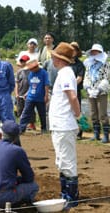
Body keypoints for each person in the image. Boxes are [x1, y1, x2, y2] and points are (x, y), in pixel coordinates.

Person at [49, 42, 81, 209]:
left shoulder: (66, 73)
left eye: (54, 56)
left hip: (64, 124)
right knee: (61, 160)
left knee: (67, 161)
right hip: (59, 124)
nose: (52, 58)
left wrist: (77, 114)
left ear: (59, 58)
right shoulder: (63, 73)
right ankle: (65, 193)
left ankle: (72, 196)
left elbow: (73, 97)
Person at [83, 44, 110, 143]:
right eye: (93, 51)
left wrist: (98, 89)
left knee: (102, 113)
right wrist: (89, 88)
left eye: (96, 51)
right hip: (91, 92)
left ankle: (106, 135)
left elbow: (106, 78)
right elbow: (87, 77)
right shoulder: (89, 64)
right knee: (93, 112)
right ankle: (96, 134)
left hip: (101, 92)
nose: (94, 53)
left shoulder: (105, 64)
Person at [19, 59, 50, 134]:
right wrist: (26, 93)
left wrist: (46, 95)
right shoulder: (31, 74)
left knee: (42, 114)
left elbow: (46, 85)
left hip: (40, 97)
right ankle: (21, 128)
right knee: (26, 112)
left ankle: (44, 129)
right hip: (30, 97)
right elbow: (31, 85)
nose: (31, 70)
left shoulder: (44, 73)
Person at [15, 55, 36, 130]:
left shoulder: (31, 72)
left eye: (24, 61)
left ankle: (32, 124)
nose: (22, 62)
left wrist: (28, 93)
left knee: (30, 109)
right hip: (20, 93)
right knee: (20, 109)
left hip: (29, 94)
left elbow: (33, 84)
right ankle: (22, 124)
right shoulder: (19, 72)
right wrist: (16, 93)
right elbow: (17, 83)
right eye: (21, 61)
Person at [70, 42, 85, 140]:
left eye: (74, 49)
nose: (73, 51)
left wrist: (71, 85)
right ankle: (72, 130)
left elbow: (79, 78)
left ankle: (82, 129)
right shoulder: (66, 63)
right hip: (67, 91)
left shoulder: (80, 64)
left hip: (76, 90)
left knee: (78, 110)